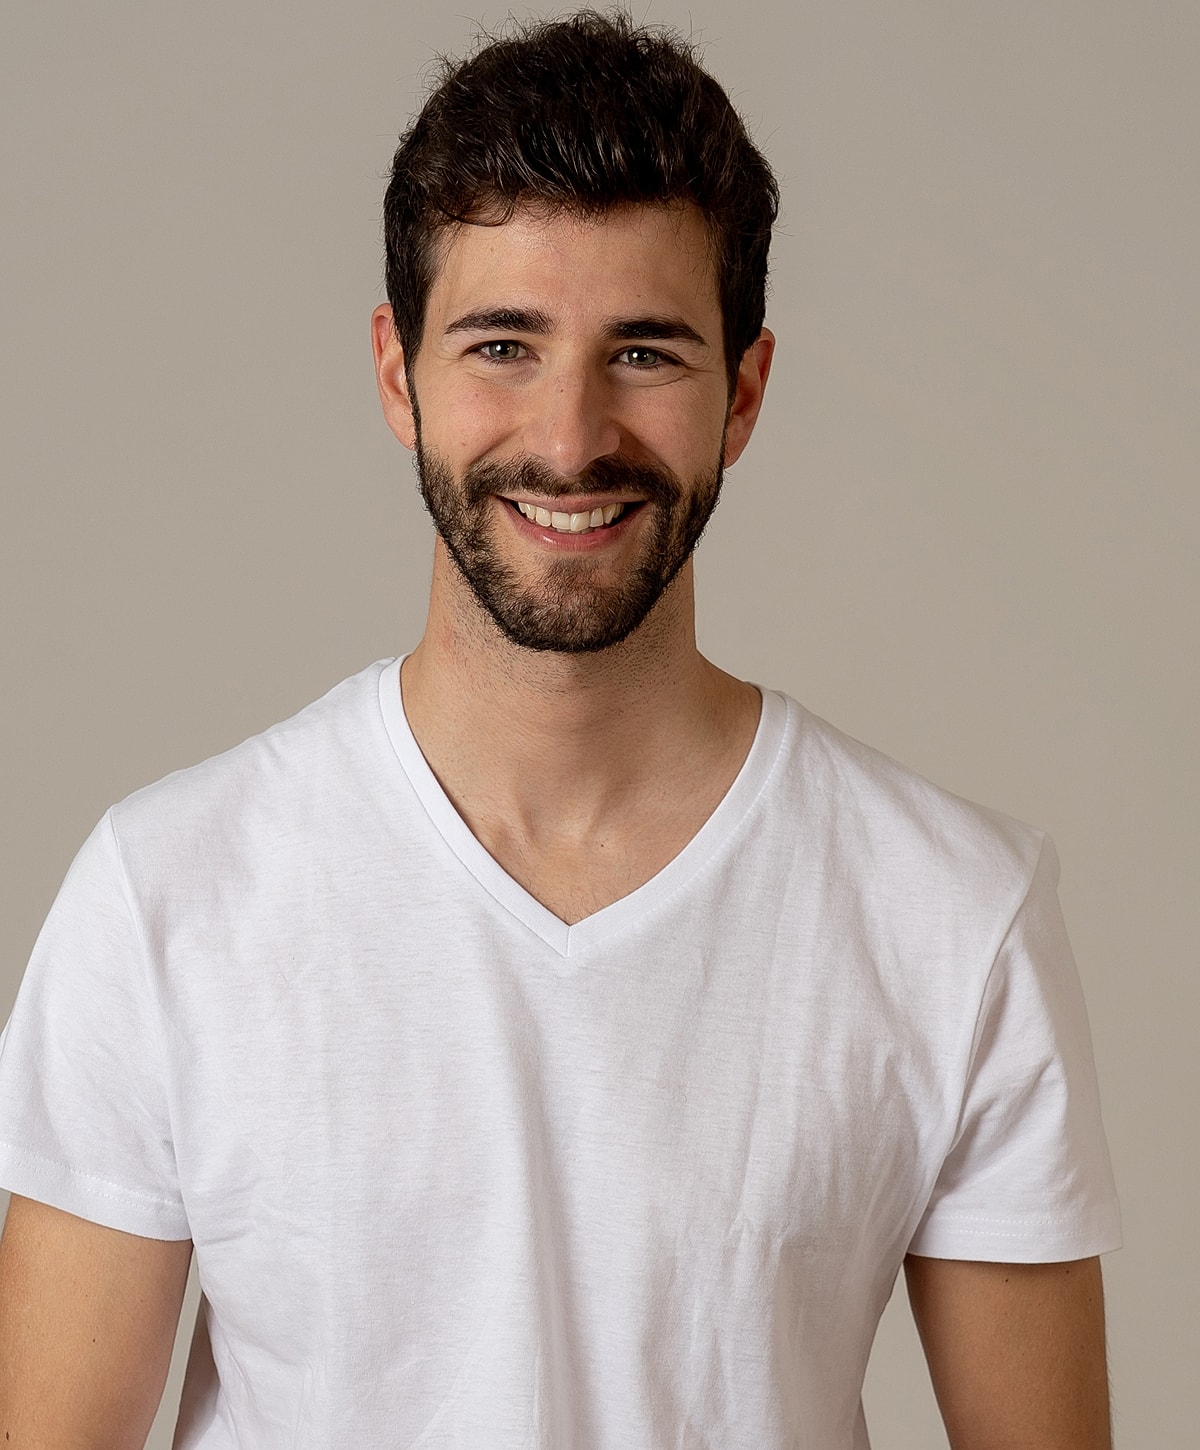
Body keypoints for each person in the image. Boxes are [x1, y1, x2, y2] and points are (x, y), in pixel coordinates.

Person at [0, 11, 1120, 1448]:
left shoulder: (954, 914)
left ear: (747, 393)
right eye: (502, 344)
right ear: (399, 374)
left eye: (645, 350)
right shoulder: (169, 894)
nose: (573, 432)